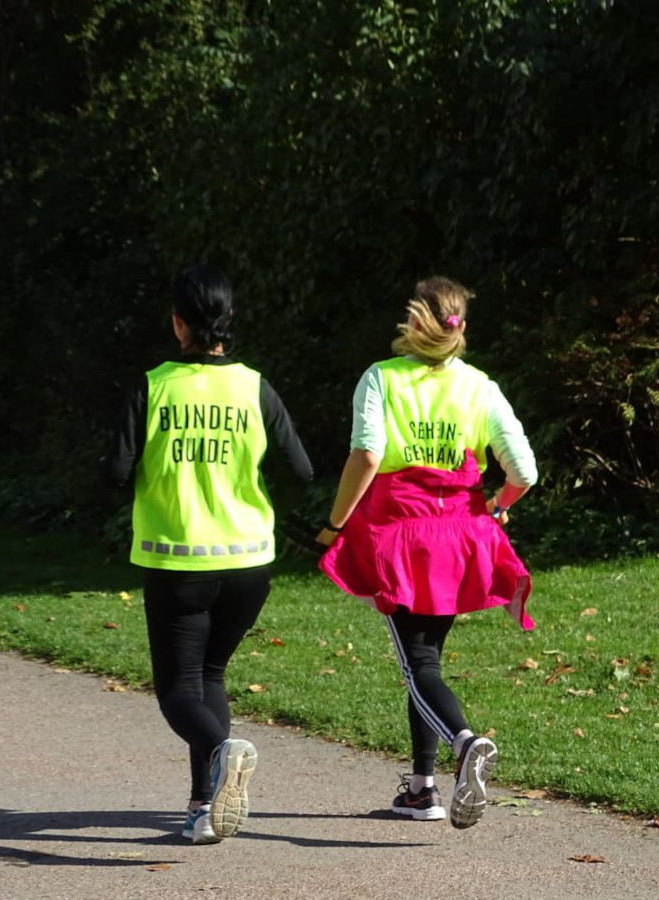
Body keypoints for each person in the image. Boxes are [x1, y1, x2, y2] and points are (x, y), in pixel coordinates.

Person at [100, 263, 314, 844]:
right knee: (210, 675)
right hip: (249, 561)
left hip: (179, 561)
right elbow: (301, 470)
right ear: (229, 318)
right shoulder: (254, 386)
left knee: (177, 692)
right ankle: (203, 808)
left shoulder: (154, 386)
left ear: (178, 323)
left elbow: (115, 472)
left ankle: (223, 750)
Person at [314, 275, 537, 829]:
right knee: (427, 662)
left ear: (415, 320)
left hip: (402, 537)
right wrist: (500, 507)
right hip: (461, 538)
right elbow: (524, 471)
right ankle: (421, 789)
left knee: (418, 668)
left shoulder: (381, 378)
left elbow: (367, 455)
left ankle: (465, 744)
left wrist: (334, 524)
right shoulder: (479, 386)